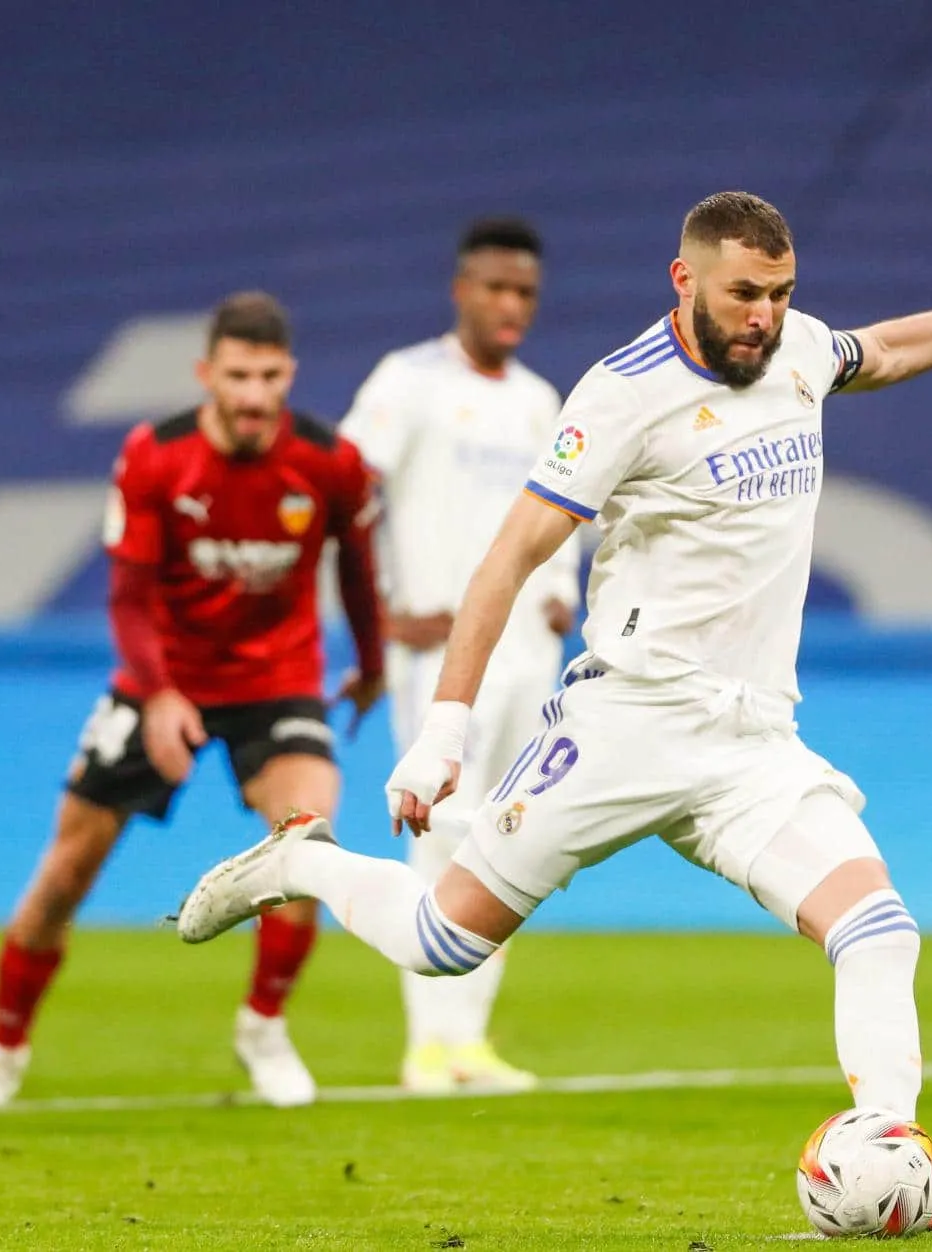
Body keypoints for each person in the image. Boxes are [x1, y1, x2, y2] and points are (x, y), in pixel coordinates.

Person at [178, 192, 932, 1229]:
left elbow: (888, 346)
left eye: (781, 293)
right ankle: (296, 862)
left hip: (753, 741)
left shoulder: (797, 350)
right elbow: (509, 558)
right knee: (444, 940)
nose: (764, 315)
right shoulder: (621, 394)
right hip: (624, 728)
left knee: (880, 929)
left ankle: (895, 1159)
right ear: (684, 279)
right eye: (743, 293)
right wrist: (445, 731)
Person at [0, 292, 385, 1109]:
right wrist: (158, 694)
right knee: (67, 869)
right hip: (164, 678)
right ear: (206, 373)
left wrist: (372, 662)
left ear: (290, 373)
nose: (254, 395)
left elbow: (356, 570)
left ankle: (264, 1025)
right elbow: (129, 597)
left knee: (308, 842)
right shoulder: (155, 455)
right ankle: (2, 1050)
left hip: (275, 680)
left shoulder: (330, 461)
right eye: (238, 375)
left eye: (270, 376)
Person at [337, 217, 577, 1094]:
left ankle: (467, 1042)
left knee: (508, 837)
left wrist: (564, 595)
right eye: (496, 289)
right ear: (461, 290)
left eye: (525, 294)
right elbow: (344, 493)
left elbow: (573, 513)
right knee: (437, 830)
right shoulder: (409, 383)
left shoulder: (541, 400)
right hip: (440, 655)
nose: (511, 306)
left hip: (527, 653)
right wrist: (380, 610)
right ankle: (427, 1045)